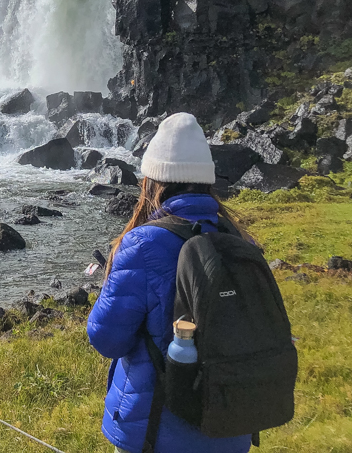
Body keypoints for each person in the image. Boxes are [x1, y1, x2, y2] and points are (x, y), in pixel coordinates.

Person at [86, 113, 252, 453]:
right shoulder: (237, 239)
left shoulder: (142, 244)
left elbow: (106, 338)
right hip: (231, 424)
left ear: (153, 181)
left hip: (156, 429)